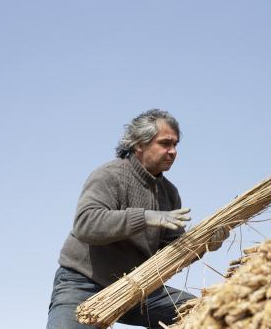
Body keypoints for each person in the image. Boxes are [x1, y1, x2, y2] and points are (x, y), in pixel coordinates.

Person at [47, 109, 229, 329]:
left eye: (175, 145)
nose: (172, 151)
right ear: (139, 144)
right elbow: (86, 224)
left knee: (204, 312)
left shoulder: (169, 193)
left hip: (137, 288)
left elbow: (170, 253)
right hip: (83, 283)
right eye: (165, 143)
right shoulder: (109, 175)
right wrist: (145, 217)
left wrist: (204, 244)